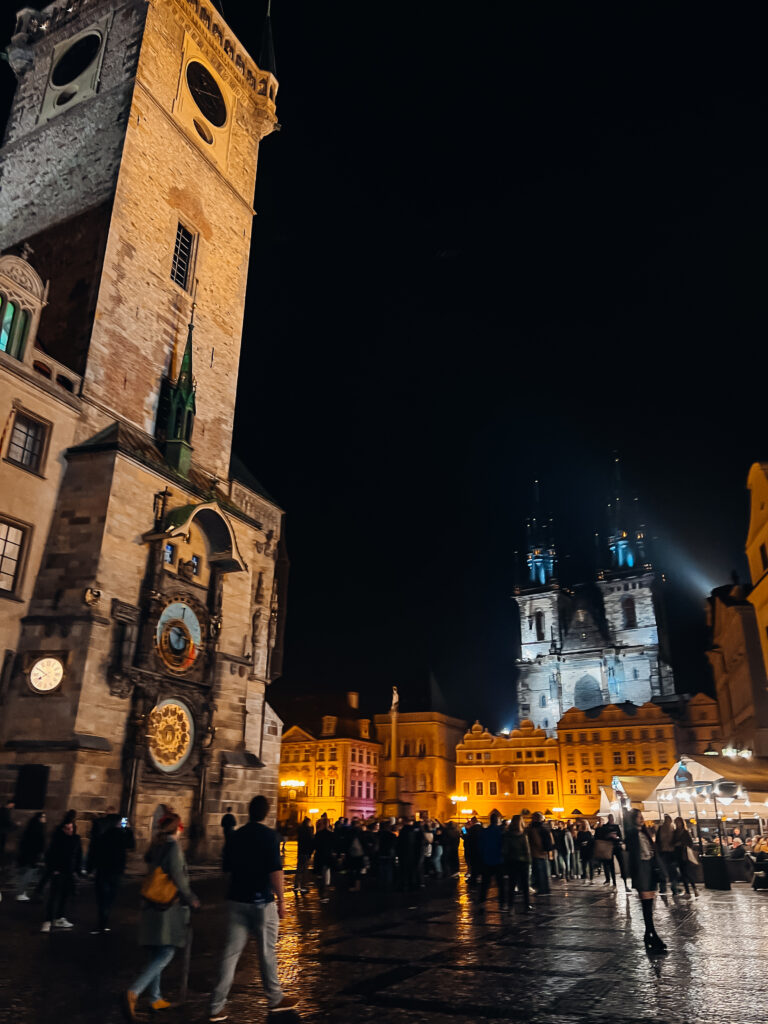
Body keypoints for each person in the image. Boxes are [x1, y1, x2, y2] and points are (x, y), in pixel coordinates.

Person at [209, 795, 298, 1020]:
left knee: (230, 955)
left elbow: (226, 867)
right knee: (267, 952)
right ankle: (275, 998)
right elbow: (275, 871)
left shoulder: (236, 836)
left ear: (248, 811)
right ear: (266, 813)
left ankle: (216, 1006)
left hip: (237, 899)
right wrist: (282, 901)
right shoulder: (269, 836)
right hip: (261, 902)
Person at [124, 813, 199, 1018]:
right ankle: (134, 991)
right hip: (166, 905)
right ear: (178, 828)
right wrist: (191, 898)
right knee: (167, 951)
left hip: (151, 902)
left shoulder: (156, 845)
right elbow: (178, 878)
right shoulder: (173, 848)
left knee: (156, 950)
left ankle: (155, 998)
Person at [87, 812, 135, 933]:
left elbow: (93, 852)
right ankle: (103, 922)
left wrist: (90, 869)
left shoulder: (102, 835)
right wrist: (128, 829)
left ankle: (102, 922)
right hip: (116, 870)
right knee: (109, 897)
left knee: (102, 897)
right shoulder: (120, 835)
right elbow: (131, 844)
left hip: (103, 870)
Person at [627, 809, 666, 955]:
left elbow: (652, 850)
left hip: (650, 868)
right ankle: (651, 935)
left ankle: (649, 935)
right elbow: (633, 855)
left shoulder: (644, 832)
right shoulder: (631, 834)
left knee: (649, 905)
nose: (641, 818)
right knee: (646, 905)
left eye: (641, 816)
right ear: (632, 819)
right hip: (641, 869)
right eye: (638, 817)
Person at [41, 815, 82, 932]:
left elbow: (78, 855)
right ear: (63, 829)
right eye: (67, 828)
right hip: (58, 871)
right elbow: (50, 855)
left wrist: (77, 871)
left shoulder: (76, 839)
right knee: (53, 897)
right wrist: (53, 869)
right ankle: (48, 920)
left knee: (65, 896)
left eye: (71, 828)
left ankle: (59, 917)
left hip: (69, 872)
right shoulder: (58, 839)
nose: (70, 831)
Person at [502, 815, 531, 911]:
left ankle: (511, 906)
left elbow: (504, 850)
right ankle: (526, 905)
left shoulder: (507, 835)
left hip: (512, 862)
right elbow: (527, 851)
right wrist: (529, 862)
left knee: (511, 885)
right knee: (525, 885)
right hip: (523, 863)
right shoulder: (523, 835)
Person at [16, 811, 46, 901]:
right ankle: (21, 893)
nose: (45, 818)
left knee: (27, 873)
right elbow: (38, 843)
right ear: (39, 818)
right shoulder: (38, 829)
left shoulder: (31, 828)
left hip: (27, 855)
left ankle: (22, 892)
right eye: (43, 816)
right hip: (32, 855)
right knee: (28, 874)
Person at [479, 812, 505, 909]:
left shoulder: (485, 832)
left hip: (486, 859)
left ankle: (482, 901)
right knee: (500, 883)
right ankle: (502, 902)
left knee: (485, 883)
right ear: (498, 821)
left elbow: (480, 846)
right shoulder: (500, 832)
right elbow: (503, 846)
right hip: (498, 860)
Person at [527, 812, 554, 895]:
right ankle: (545, 889)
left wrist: (538, 849)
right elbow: (551, 841)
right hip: (543, 853)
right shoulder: (545, 827)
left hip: (536, 853)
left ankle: (541, 890)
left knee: (539, 873)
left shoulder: (534, 828)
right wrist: (548, 852)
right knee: (544, 873)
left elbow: (536, 840)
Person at [672, 817, 698, 898]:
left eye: (678, 822)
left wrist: (682, 844)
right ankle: (688, 891)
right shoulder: (675, 832)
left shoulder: (685, 832)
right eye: (676, 823)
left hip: (685, 855)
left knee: (687, 873)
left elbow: (690, 843)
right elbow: (672, 843)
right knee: (683, 874)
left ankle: (694, 889)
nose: (677, 824)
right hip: (678, 855)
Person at [655, 814, 679, 895]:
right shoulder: (672, 829)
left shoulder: (665, 829)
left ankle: (664, 888)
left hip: (665, 852)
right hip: (669, 852)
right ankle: (673, 888)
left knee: (665, 870)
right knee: (670, 870)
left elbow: (657, 841)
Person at [314, 817, 334, 902]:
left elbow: (314, 845)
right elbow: (335, 845)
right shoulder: (331, 834)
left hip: (320, 856)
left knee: (321, 875)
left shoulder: (319, 834)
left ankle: (322, 893)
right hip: (327, 856)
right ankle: (324, 893)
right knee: (326, 874)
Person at [294, 817, 314, 895]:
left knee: (299, 869)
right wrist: (310, 852)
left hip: (300, 852)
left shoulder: (300, 830)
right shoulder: (309, 831)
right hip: (306, 853)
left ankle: (296, 886)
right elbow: (311, 842)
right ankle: (303, 887)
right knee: (305, 870)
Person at [0, 800, 16, 875]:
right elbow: (7, 821)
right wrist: (15, 826)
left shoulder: (4, 810)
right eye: (12, 804)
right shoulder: (5, 811)